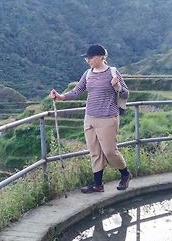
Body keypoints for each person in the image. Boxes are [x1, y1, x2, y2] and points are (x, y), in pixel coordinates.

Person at [50, 44, 131, 193]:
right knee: (95, 152)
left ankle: (125, 174)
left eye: (91, 57)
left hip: (108, 118)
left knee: (110, 152)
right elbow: (77, 91)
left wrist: (118, 86)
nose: (88, 60)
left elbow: (126, 94)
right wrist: (61, 97)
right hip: (90, 118)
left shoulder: (112, 72)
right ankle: (97, 184)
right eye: (87, 58)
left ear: (101, 56)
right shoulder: (88, 73)